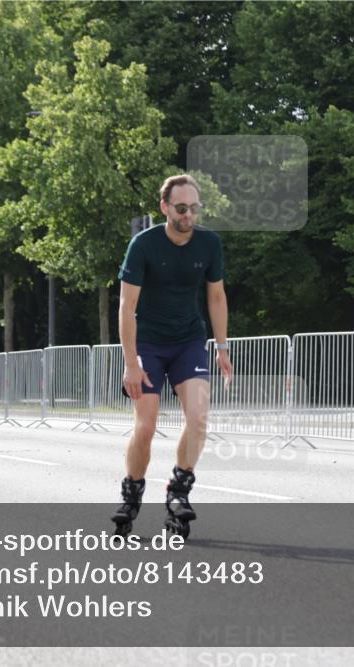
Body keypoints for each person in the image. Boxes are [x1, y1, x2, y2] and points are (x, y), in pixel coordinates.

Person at [111, 174, 232, 538]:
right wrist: (131, 364)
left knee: (198, 419)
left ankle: (179, 490)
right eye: (181, 208)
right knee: (145, 426)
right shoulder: (143, 245)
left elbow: (216, 297)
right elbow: (126, 305)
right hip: (148, 344)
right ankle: (131, 493)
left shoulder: (209, 243)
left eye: (194, 208)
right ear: (165, 208)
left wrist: (222, 347)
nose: (189, 215)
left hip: (188, 342)